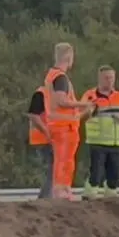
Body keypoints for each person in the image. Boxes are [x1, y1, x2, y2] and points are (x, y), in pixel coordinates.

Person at [41, 42, 87, 201]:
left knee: (65, 160)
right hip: (63, 127)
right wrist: (84, 104)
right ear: (69, 57)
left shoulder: (52, 75)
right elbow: (62, 101)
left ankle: (64, 189)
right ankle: (60, 190)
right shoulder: (60, 77)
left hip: (61, 125)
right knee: (64, 160)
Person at [80, 65, 119, 196]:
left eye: (112, 78)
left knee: (114, 174)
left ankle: (111, 195)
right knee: (96, 173)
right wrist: (90, 111)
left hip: (115, 142)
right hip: (96, 141)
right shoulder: (90, 95)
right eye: (106, 78)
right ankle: (89, 195)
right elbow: (79, 115)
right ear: (100, 78)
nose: (109, 81)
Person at [25, 87, 52, 200]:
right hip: (44, 139)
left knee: (53, 171)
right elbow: (33, 115)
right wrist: (47, 133)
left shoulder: (52, 94)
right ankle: (45, 199)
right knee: (53, 171)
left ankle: (47, 198)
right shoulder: (42, 94)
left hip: (49, 139)